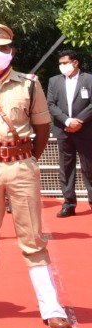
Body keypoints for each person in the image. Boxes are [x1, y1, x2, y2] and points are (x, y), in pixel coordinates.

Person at [0, 23, 71, 328]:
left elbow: (43, 128)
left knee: (33, 238)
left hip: (22, 164)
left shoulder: (30, 84)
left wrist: (28, 155)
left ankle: (51, 307)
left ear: (12, 51)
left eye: (3, 48)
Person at [48, 48, 92, 218]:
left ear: (75, 62)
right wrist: (67, 121)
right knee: (66, 168)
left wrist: (79, 121)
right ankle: (69, 203)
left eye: (65, 63)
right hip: (63, 130)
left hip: (85, 129)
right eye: (60, 63)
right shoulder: (54, 81)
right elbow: (51, 104)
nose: (62, 66)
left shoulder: (89, 79)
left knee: (89, 167)